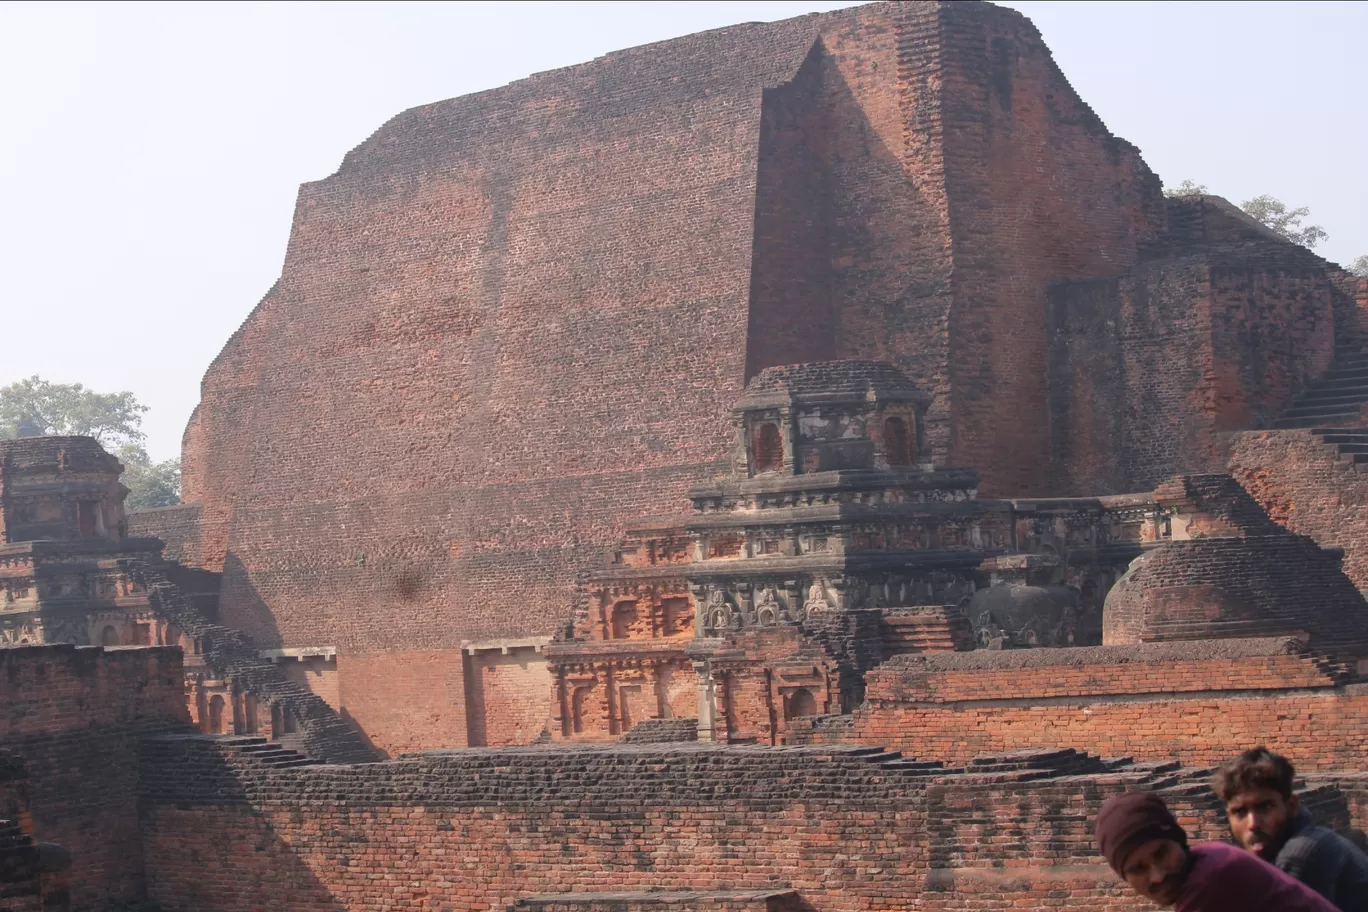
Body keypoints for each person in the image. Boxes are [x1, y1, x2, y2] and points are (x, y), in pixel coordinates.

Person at [1096, 790, 1338, 911]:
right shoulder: (1211, 857)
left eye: (1161, 853)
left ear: (1179, 841)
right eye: (1138, 868)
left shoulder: (1208, 883)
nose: (1158, 875)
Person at [1213, 747, 1368, 912]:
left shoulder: (1302, 852)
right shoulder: (1283, 849)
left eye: (1265, 807)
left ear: (1291, 806)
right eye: (1239, 812)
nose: (1253, 824)